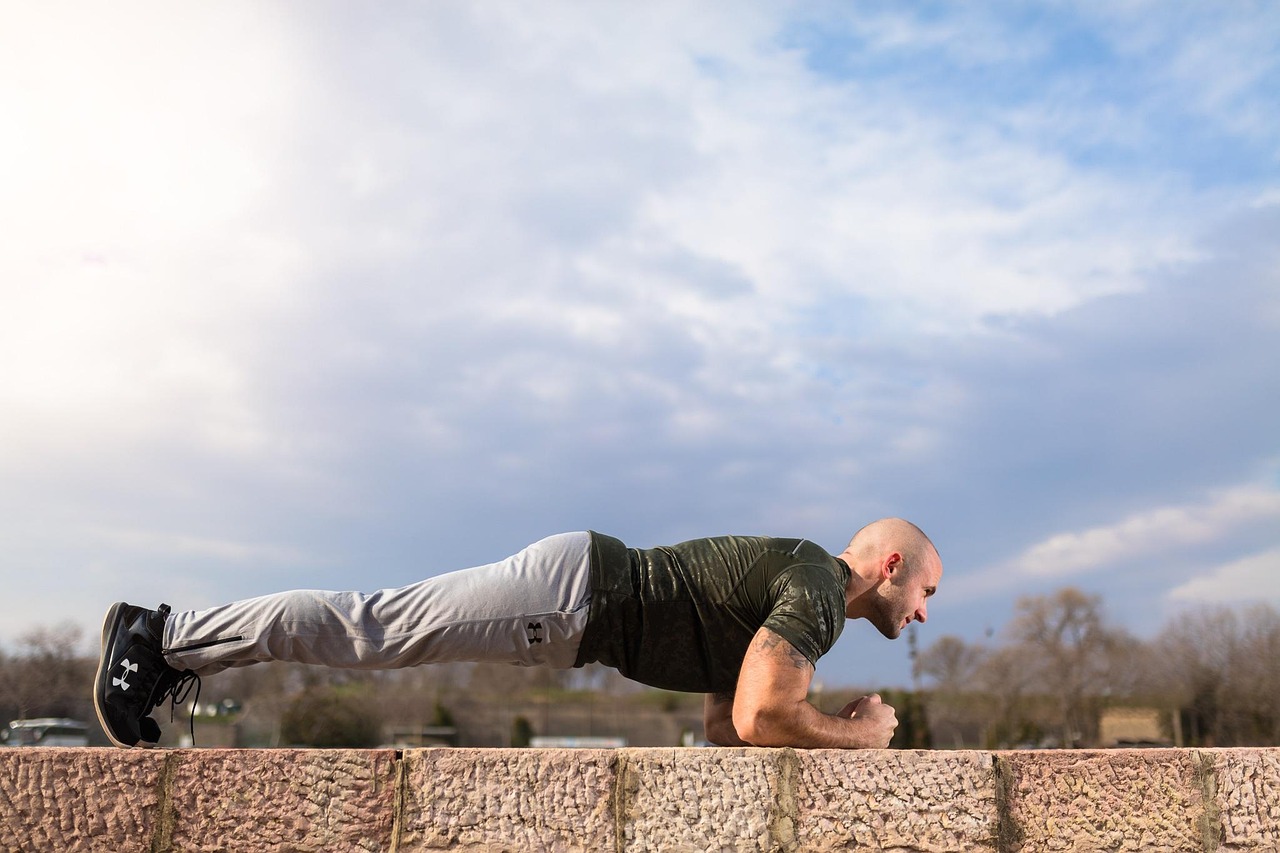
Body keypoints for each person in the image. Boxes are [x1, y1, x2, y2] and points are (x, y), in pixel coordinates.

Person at [93, 518, 941, 750]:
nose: (926, 612)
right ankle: (162, 637)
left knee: (375, 627)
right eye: (928, 590)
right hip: (574, 597)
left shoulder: (799, 594)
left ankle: (168, 640)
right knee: (373, 628)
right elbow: (762, 718)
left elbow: (728, 722)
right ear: (891, 562)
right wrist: (860, 734)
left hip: (576, 598)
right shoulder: (820, 591)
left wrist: (811, 716)